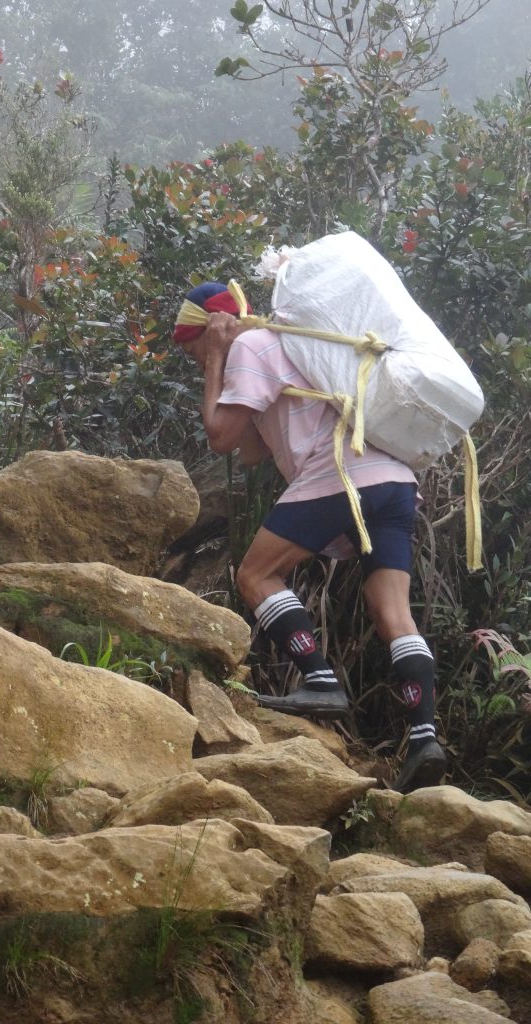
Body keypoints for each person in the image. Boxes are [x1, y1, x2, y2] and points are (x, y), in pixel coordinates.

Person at [173, 281, 447, 793]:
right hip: (393, 481)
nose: (191, 358)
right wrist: (233, 386)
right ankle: (424, 739)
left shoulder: (252, 347)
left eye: (190, 346)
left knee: (256, 574)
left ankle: (320, 681)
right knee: (394, 613)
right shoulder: (293, 343)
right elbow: (251, 450)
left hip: (342, 473)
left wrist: (215, 362)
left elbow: (220, 439)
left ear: (207, 328)